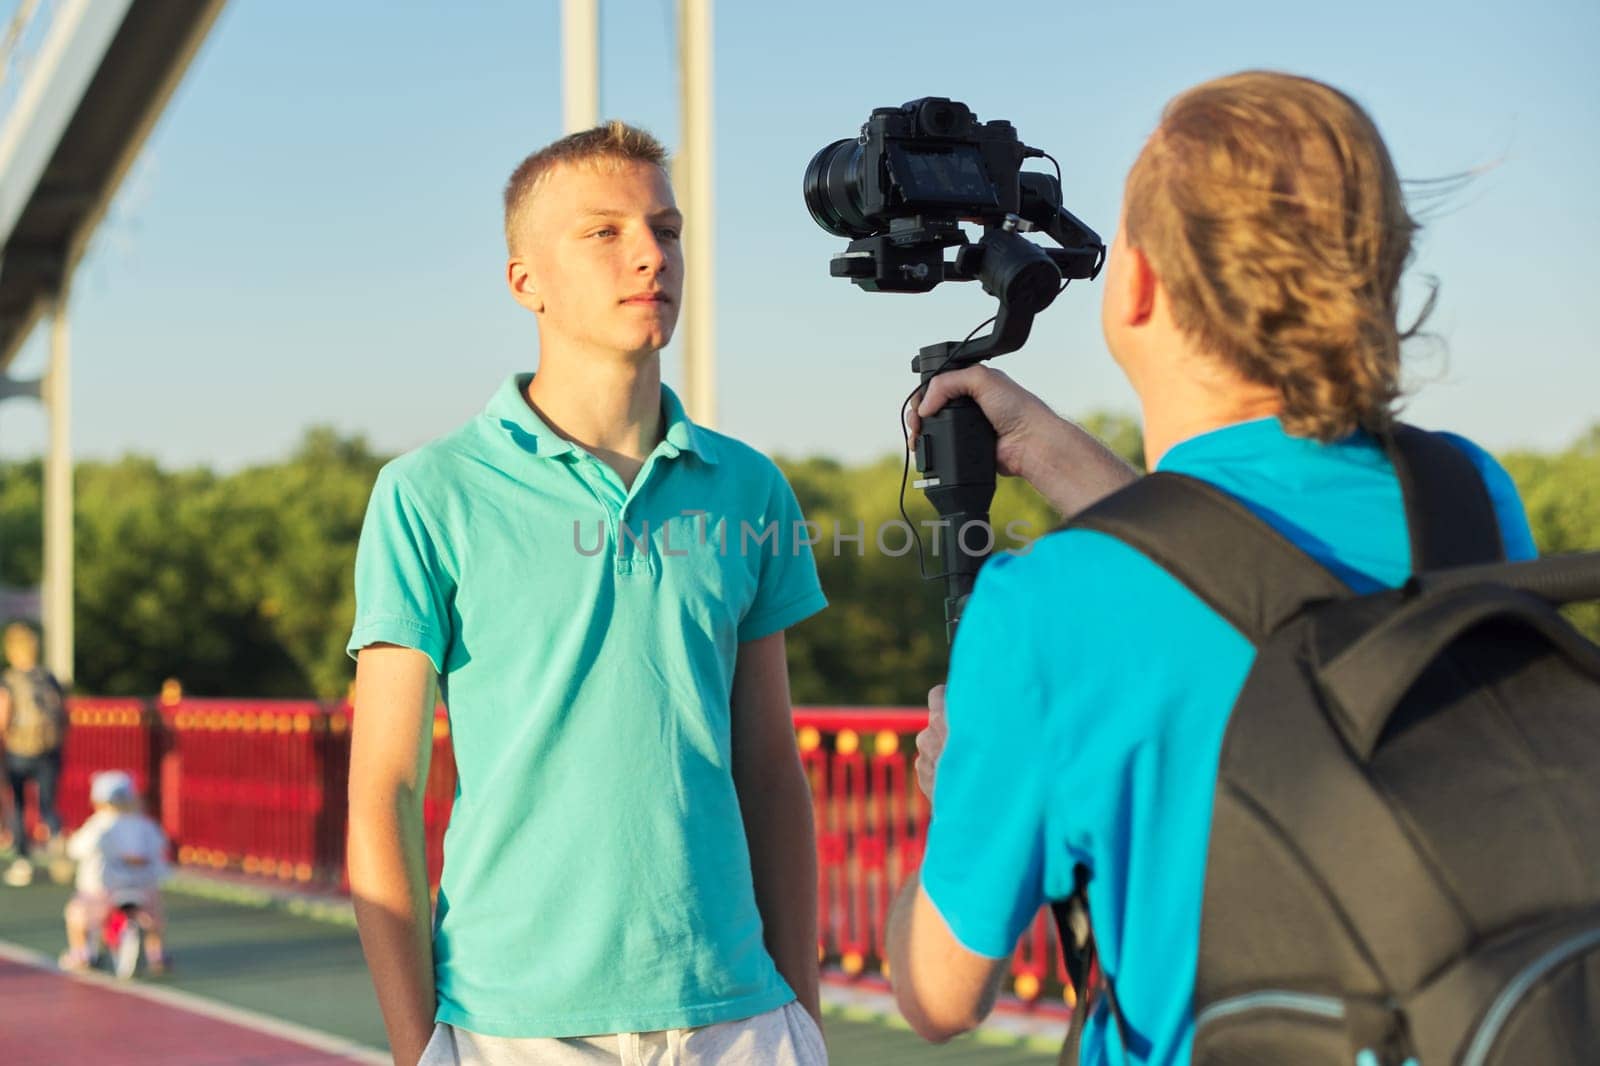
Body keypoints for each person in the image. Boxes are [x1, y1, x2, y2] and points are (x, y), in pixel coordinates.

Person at [885, 70, 1538, 1065]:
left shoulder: (1042, 607)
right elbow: (1257, 593)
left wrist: (958, 796)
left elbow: (938, 994)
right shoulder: (1467, 497)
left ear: (1137, 283)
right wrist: (1050, 451)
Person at [346, 121, 829, 1066]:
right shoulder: (429, 492)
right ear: (524, 279)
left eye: (668, 227)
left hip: (740, 1016)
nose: (651, 253)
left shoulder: (750, 487)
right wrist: (418, 1050)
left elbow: (770, 769)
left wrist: (798, 1015)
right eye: (603, 232)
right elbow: (387, 790)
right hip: (513, 1027)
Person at [59, 769, 171, 974]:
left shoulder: (99, 824)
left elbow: (78, 848)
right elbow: (160, 850)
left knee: (76, 916)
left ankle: (82, 954)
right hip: (143, 887)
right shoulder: (145, 825)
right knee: (154, 918)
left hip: (102, 890)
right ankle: (157, 955)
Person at [1, 621, 70, 887]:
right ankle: (55, 836)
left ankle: (22, 860)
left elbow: (3, 716)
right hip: (50, 748)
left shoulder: (9, 680)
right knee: (47, 803)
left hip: (19, 749)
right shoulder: (49, 677)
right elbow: (64, 714)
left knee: (17, 804)